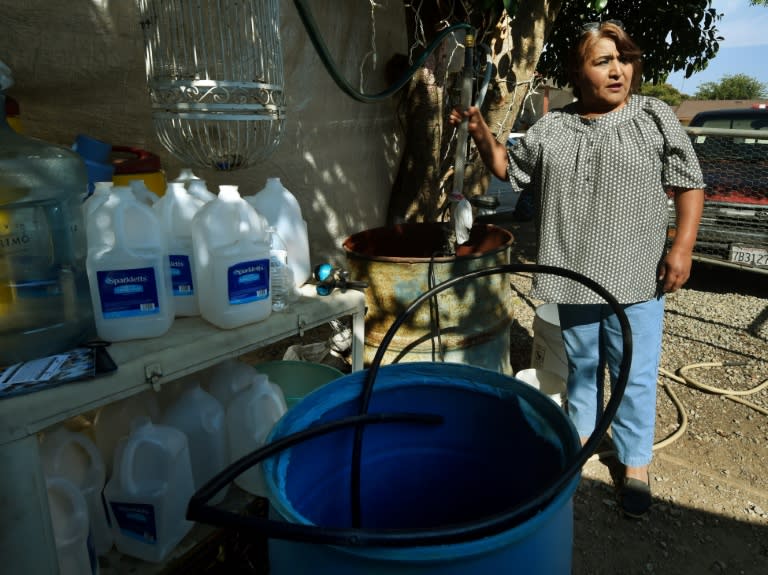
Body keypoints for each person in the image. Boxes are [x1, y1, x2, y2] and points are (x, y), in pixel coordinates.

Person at [449, 20, 704, 518]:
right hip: (574, 273)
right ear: (578, 72)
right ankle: (581, 439)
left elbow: (689, 181)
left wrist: (683, 247)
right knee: (581, 367)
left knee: (633, 371)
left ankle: (634, 464)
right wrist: (481, 132)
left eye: (623, 59)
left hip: (638, 275)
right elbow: (511, 170)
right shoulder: (552, 128)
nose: (617, 70)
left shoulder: (653, 116)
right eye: (602, 61)